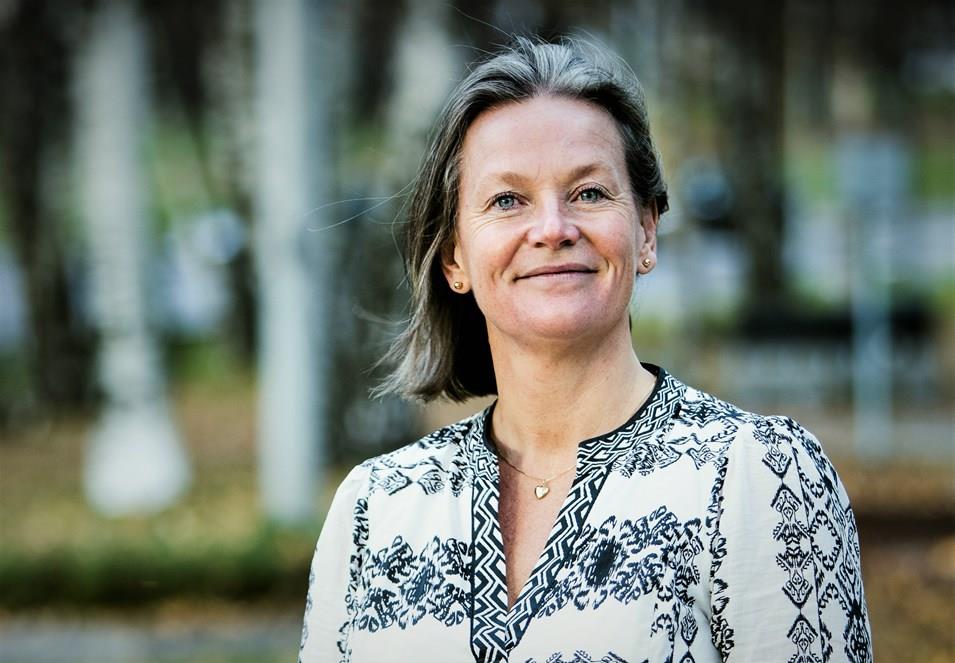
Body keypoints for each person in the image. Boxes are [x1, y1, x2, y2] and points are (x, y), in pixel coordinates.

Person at [299, 37, 873, 663]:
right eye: (507, 200)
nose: (552, 228)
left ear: (646, 230)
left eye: (590, 193)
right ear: (454, 257)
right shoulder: (375, 508)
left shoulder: (756, 477)